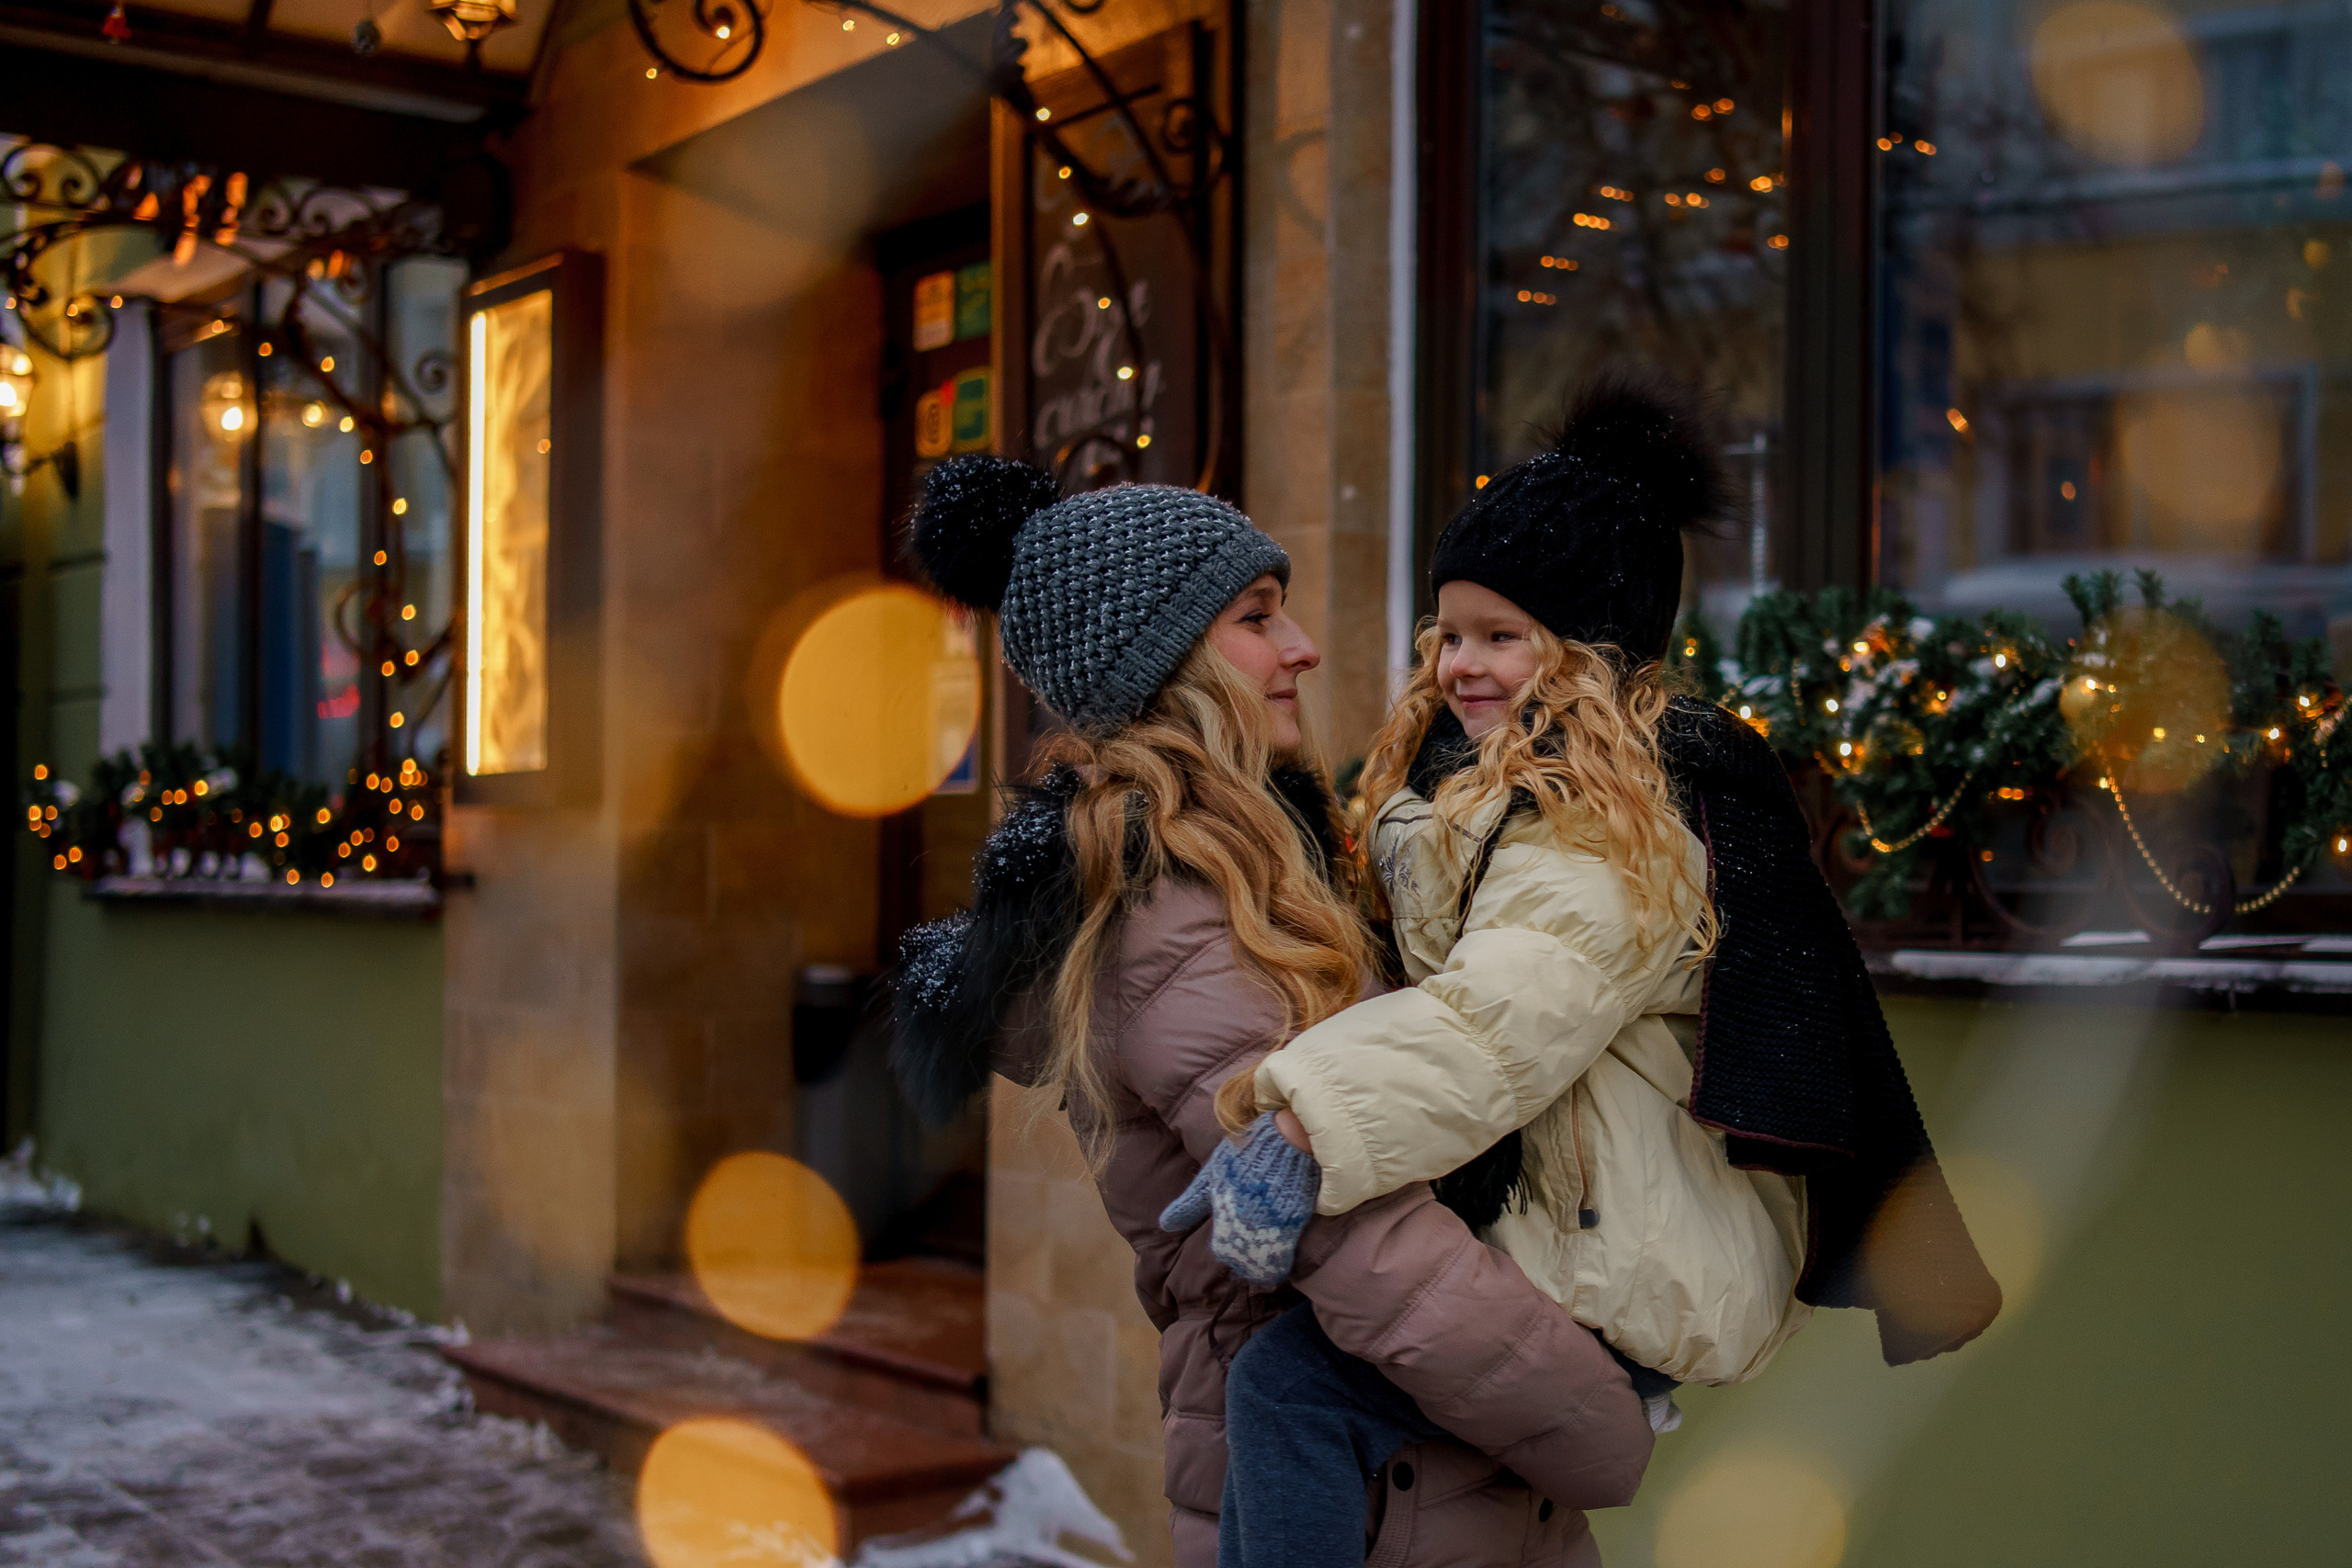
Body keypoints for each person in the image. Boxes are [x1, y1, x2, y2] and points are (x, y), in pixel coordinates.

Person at [1171, 379, 2006, 1567]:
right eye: (1449, 631)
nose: (1461, 662)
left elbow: (1499, 1015)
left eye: (1502, 634)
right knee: (1299, 1390)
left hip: (1628, 1268)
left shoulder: (1622, 821)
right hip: (1568, 1234)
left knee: (1289, 1389)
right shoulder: (1484, 787)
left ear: (1588, 650)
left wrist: (1304, 1121)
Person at [886, 456, 1657, 1568]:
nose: (1299, 647)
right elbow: (1354, 1232)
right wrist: (1596, 1423)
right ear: (1166, 662)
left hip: (1417, 1457)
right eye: (1257, 619)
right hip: (1369, 1491)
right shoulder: (1177, 907)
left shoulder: (1268, 860)